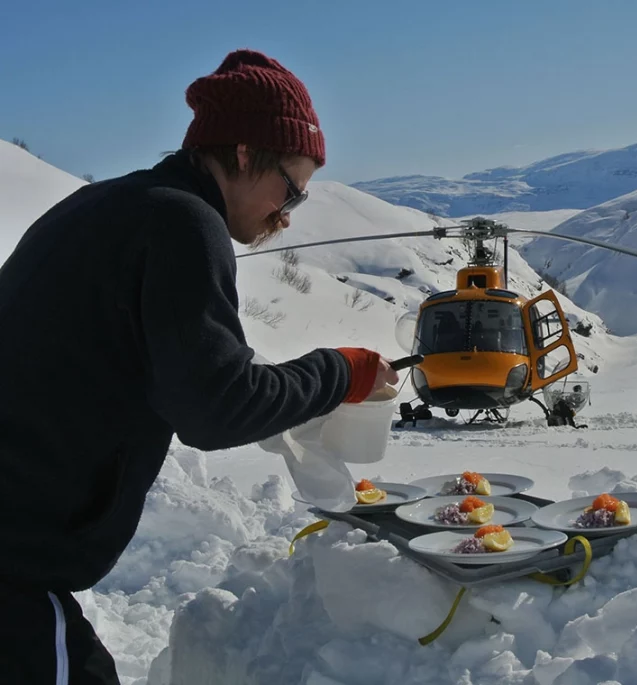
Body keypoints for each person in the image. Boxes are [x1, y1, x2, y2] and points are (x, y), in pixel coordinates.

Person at [0, 49, 398, 684]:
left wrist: (269, 387)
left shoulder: (114, 205)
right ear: (243, 154)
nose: (287, 214)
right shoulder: (183, 221)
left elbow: (178, 364)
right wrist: (340, 373)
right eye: (289, 189)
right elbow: (214, 408)